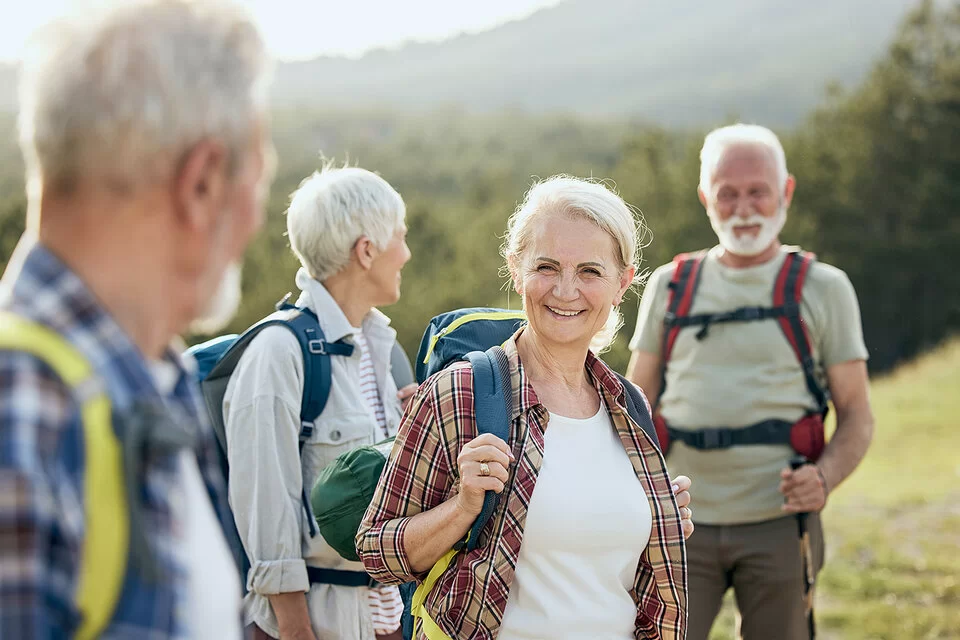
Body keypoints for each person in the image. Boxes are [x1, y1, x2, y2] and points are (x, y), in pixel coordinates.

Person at [0, 1, 274, 638]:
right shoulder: (26, 401)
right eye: (258, 182)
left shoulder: (153, 384)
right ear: (202, 184)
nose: (256, 221)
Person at [358, 175, 693, 640]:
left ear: (623, 284)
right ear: (516, 269)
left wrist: (657, 520)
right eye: (547, 267)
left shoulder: (629, 404)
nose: (566, 290)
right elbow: (376, 551)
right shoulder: (459, 394)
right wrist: (462, 508)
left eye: (591, 272)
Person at [626, 124, 875, 640]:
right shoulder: (671, 286)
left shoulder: (824, 288)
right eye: (728, 193)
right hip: (679, 521)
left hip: (781, 524)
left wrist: (824, 478)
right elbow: (634, 405)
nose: (744, 208)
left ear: (786, 192)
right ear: (705, 199)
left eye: (758, 191)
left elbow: (857, 414)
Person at [223, 165, 418, 640]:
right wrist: (295, 628)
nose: (407, 254)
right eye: (400, 238)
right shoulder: (278, 353)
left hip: (384, 617)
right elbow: (265, 505)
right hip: (314, 623)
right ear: (366, 251)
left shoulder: (385, 352)